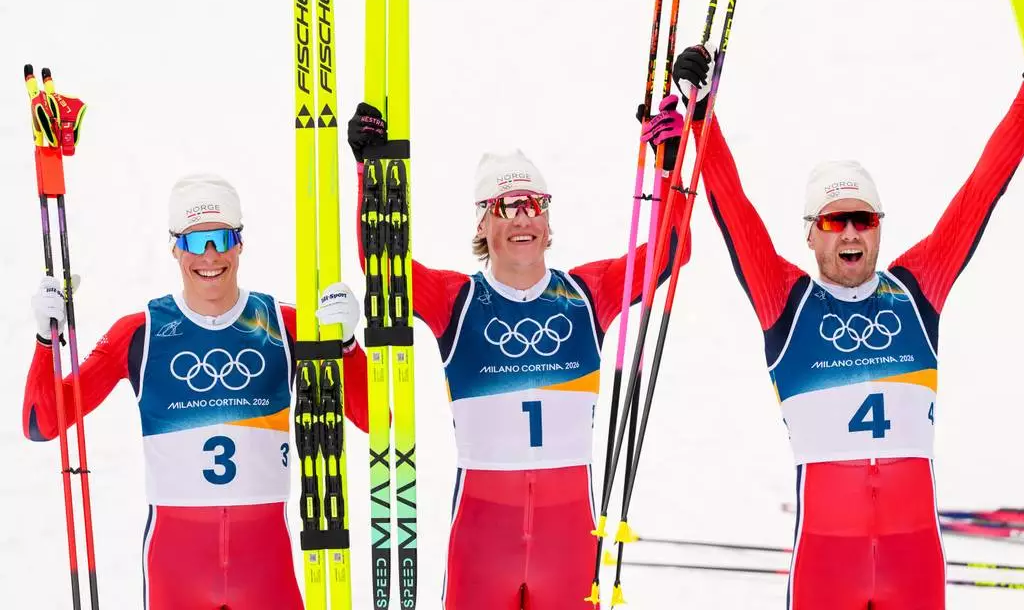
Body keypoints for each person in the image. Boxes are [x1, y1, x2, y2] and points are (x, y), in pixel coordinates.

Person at [671, 21, 1024, 610]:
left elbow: (979, 192)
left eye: (864, 219)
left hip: (913, 562)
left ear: (880, 229)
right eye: (835, 221)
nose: (851, 233)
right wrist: (700, 111)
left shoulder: (917, 290)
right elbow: (732, 206)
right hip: (825, 567)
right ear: (811, 236)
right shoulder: (785, 302)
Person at [347, 97, 691, 610]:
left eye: (535, 205)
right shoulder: (456, 301)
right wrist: (371, 173)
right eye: (507, 207)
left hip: (569, 538)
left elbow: (669, 252)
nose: (523, 217)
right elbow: (385, 266)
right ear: (484, 225)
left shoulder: (586, 294)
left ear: (549, 224)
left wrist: (669, 167)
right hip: (483, 539)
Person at [22, 174, 369, 610]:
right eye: (194, 241)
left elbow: (375, 419)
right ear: (174, 247)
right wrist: (43, 340)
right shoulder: (140, 333)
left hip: (266, 570)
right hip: (176, 571)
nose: (210, 255)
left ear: (240, 243)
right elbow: (42, 422)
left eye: (222, 238)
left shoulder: (285, 324)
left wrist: (349, 345)